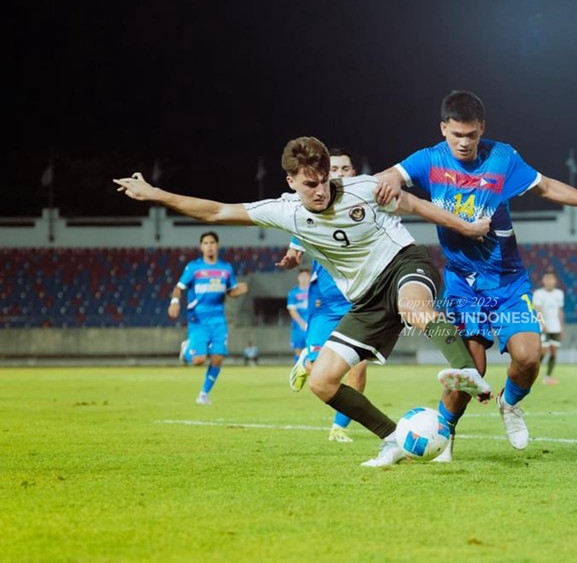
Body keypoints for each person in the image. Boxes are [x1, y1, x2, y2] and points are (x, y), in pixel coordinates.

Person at [115, 136, 492, 467]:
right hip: (364, 298)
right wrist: (157, 194)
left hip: (403, 263)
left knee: (415, 309)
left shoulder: (362, 188)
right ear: (291, 181)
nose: (320, 190)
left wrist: (465, 226)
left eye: (324, 180)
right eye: (309, 184)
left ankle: (467, 373)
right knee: (321, 381)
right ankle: (394, 438)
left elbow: (414, 205)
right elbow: (217, 211)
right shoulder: (286, 211)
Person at [376, 90, 577, 460]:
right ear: (443, 129)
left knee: (529, 355)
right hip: (462, 283)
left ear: (482, 128)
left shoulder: (503, 158)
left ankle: (510, 405)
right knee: (469, 367)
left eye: (472, 135)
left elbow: (547, 186)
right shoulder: (429, 161)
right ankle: (444, 436)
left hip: (506, 280)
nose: (465, 142)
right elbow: (391, 175)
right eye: (457, 135)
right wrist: (387, 179)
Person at [281, 148, 370, 443]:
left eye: (346, 169)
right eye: (335, 170)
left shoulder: (364, 206)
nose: (341, 174)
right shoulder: (313, 210)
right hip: (325, 301)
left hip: (359, 301)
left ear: (353, 173)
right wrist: (293, 253)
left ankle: (339, 427)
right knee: (319, 368)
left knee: (358, 368)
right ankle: (307, 359)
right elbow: (297, 239)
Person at [169, 231, 248, 405]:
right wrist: (175, 301)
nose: (209, 246)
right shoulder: (194, 268)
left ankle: (203, 395)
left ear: (217, 245)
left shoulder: (226, 268)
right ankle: (186, 350)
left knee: (218, 357)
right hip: (198, 319)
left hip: (218, 319)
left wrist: (239, 291)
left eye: (212, 242)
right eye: (205, 243)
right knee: (198, 360)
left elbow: (230, 291)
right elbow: (178, 288)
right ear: (201, 247)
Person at [533, 270, 565, 385]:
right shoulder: (538, 293)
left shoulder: (559, 293)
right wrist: (542, 324)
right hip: (543, 328)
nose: (549, 281)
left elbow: (560, 311)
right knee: (543, 351)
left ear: (555, 281)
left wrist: (561, 327)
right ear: (543, 281)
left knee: (554, 352)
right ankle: (533, 373)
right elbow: (537, 310)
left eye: (551, 279)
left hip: (555, 327)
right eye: (547, 279)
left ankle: (548, 377)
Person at [286, 268, 310, 363]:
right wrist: (301, 323)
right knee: (298, 350)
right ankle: (298, 372)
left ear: (310, 277)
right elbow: (292, 310)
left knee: (313, 349)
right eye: (302, 276)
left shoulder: (314, 292)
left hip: (312, 325)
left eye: (306, 276)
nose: (304, 278)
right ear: (298, 278)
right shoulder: (293, 293)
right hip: (298, 327)